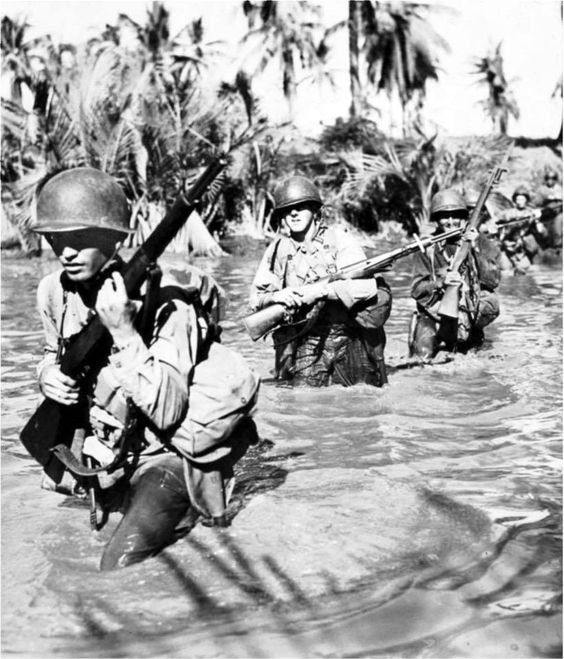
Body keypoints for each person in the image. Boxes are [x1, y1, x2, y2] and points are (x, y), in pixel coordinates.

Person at [31, 167, 260, 571]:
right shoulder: (53, 292)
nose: (66, 252)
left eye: (80, 240)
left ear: (114, 238)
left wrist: (124, 333)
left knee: (115, 566)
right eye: (56, 240)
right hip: (106, 453)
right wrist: (46, 374)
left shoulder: (170, 303)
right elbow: (54, 352)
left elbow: (169, 408)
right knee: (56, 553)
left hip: (164, 456)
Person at [249, 175, 392, 387]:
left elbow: (367, 288)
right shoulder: (278, 249)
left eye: (301, 207)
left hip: (350, 337)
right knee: (302, 406)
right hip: (307, 340)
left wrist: (322, 292)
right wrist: (279, 296)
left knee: (364, 403)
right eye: (288, 210)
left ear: (315, 210)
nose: (294, 213)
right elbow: (255, 299)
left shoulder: (340, 240)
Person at [409, 188, 501, 359]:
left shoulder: (480, 241)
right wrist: (441, 282)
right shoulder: (426, 247)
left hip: (468, 313)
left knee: (476, 358)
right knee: (422, 358)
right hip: (434, 314)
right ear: (436, 219)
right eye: (444, 216)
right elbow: (416, 289)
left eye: (456, 216)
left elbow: (493, 281)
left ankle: (468, 335)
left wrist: (476, 248)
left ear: (464, 217)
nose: (451, 222)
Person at [535, 167, 562, 250]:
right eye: (548, 179)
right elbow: (537, 203)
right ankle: (547, 246)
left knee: (557, 231)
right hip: (546, 214)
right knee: (543, 233)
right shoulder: (541, 190)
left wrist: (558, 199)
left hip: (558, 213)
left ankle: (558, 247)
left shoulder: (560, 189)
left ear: (555, 180)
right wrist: (547, 198)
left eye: (553, 179)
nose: (550, 181)